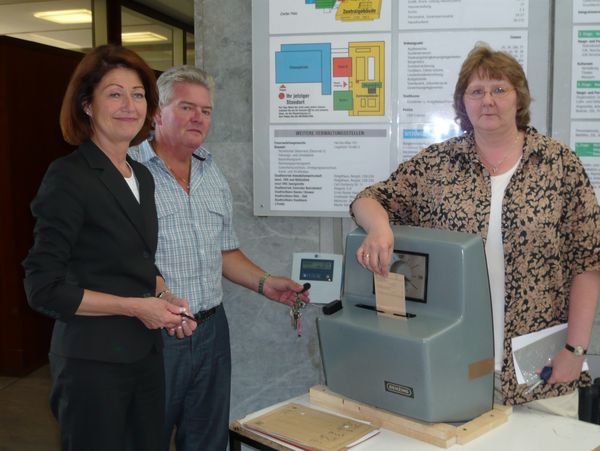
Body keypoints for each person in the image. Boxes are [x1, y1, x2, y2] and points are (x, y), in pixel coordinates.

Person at [351, 45, 599, 417]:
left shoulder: (558, 164)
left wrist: (575, 351)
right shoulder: (438, 165)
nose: (488, 100)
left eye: (500, 89)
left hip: (542, 367)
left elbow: (588, 262)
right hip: (454, 361)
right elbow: (368, 199)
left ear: (519, 97)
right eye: (476, 91)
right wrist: (380, 228)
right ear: (462, 103)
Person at [22, 45, 196, 451]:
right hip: (92, 364)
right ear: (87, 104)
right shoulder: (68, 176)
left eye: (137, 94)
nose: (128, 105)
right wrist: (138, 307)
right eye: (114, 94)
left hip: (145, 356)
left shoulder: (142, 175)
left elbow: (137, 263)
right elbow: (43, 288)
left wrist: (166, 299)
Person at [129, 65, 309, 451]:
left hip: (211, 331)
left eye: (206, 111)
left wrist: (265, 282)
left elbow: (223, 250)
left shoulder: (212, 173)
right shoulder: (126, 171)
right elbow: (115, 260)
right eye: (187, 107)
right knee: (144, 438)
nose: (198, 118)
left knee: (208, 442)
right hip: (153, 336)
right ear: (157, 112)